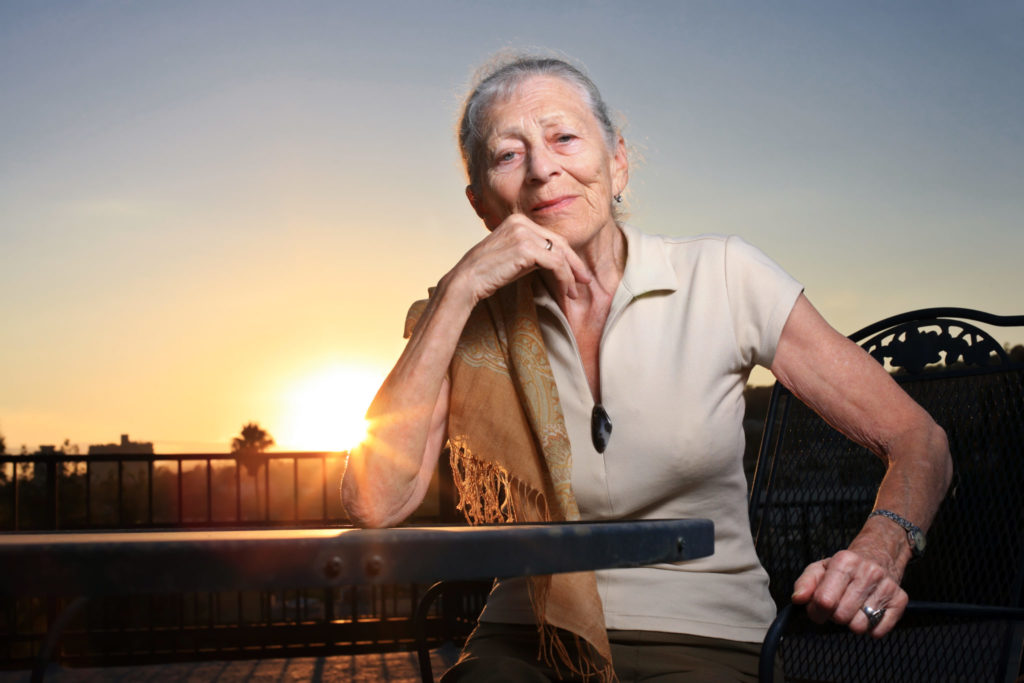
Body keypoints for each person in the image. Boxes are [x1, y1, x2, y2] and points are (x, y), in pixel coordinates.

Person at [341, 52, 952, 682]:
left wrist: (881, 547)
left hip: (701, 638)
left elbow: (918, 439)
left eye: (564, 138)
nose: (544, 168)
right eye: (508, 155)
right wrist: (457, 291)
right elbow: (375, 503)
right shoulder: (468, 318)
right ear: (482, 207)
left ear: (617, 163)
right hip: (528, 638)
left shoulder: (723, 274)